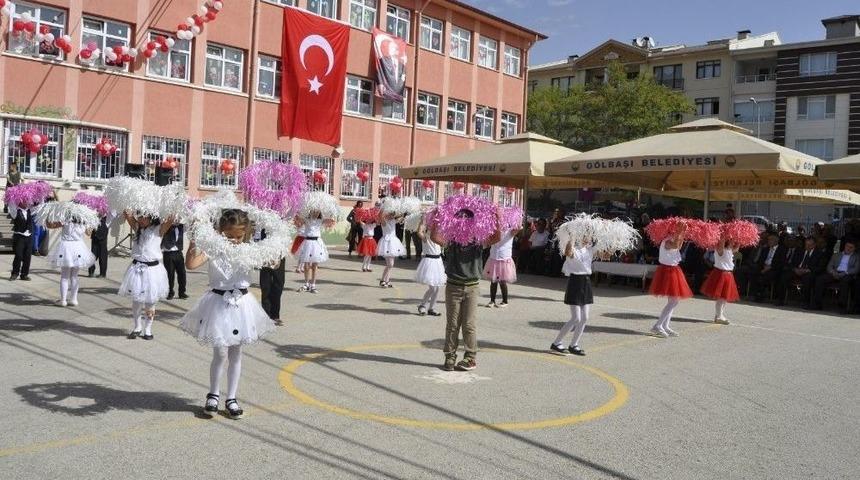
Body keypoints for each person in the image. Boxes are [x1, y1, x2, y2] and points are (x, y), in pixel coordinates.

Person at [181, 209, 275, 418]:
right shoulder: (213, 249)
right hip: (218, 303)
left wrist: (276, 245)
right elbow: (191, 264)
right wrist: (195, 242)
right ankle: (213, 394)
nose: (234, 240)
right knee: (220, 352)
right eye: (229, 236)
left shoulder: (249, 250)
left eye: (239, 236)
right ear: (220, 231)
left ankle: (231, 397)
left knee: (236, 353)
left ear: (246, 234)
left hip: (241, 305)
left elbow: (273, 263)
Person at [432, 209, 485, 371]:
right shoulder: (451, 241)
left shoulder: (477, 241)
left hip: (472, 287)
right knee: (453, 324)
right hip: (453, 286)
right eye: (460, 219)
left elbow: (495, 238)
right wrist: (436, 218)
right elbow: (434, 237)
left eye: (467, 219)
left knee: (469, 324)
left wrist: (496, 218)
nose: (463, 222)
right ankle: (450, 357)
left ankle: (470, 357)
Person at [118, 213, 172, 340]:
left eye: (144, 217)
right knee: (136, 301)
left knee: (150, 301)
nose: (141, 219)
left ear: (152, 217)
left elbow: (170, 219)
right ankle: (137, 327)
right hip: (137, 269)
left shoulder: (159, 229)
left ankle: (148, 329)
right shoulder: (137, 227)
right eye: (140, 217)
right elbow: (127, 213)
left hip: (153, 271)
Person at [550, 236, 596, 356]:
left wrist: (612, 240)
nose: (588, 239)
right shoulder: (573, 248)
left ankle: (574, 345)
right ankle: (556, 342)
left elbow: (606, 255)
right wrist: (572, 236)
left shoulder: (590, 249)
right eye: (585, 236)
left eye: (589, 236)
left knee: (585, 317)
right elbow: (567, 252)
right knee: (576, 318)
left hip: (586, 282)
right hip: (575, 282)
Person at [648, 223, 692, 338]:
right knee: (674, 301)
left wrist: (682, 233)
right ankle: (657, 326)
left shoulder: (672, 240)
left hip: (673, 270)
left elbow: (679, 246)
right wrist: (680, 232)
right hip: (667, 271)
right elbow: (676, 245)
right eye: (674, 231)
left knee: (673, 301)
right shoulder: (666, 241)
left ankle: (665, 326)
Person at [45, 216, 96, 307]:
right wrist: (92, 222)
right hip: (78, 247)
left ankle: (63, 300)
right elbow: (89, 233)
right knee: (74, 276)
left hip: (66, 247)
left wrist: (47, 217)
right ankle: (74, 299)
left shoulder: (65, 220)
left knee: (64, 276)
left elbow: (50, 226)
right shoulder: (83, 220)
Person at [775, 237, 826, 307]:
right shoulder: (799, 251)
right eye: (806, 244)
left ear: (814, 245)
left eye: (810, 245)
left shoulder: (819, 253)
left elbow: (820, 267)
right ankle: (780, 299)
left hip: (808, 272)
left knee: (807, 279)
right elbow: (791, 263)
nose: (807, 246)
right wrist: (794, 269)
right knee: (784, 276)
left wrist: (808, 270)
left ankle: (805, 302)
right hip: (797, 270)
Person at [809, 241, 858, 313]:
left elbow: (856, 269)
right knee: (820, 279)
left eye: (851, 247)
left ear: (854, 249)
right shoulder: (836, 255)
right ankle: (817, 303)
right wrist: (833, 272)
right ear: (844, 246)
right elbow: (829, 266)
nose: (848, 248)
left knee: (845, 282)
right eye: (847, 246)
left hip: (847, 274)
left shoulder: (857, 256)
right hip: (834, 273)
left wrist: (844, 273)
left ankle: (842, 306)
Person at [700, 237, 739, 325]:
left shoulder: (730, 250)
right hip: (721, 274)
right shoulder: (720, 250)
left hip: (728, 275)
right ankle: (718, 316)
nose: (733, 242)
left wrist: (739, 237)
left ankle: (719, 315)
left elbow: (736, 249)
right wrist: (725, 234)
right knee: (721, 298)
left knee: (724, 297)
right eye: (731, 240)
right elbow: (721, 242)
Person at [483, 217, 520, 308]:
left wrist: (515, 216)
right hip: (494, 257)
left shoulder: (510, 231)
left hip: (504, 258)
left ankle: (505, 300)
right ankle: (492, 300)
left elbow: (519, 227)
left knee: (502, 281)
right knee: (493, 281)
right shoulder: (493, 230)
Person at [414, 216, 444, 316]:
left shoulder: (440, 237)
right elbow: (419, 231)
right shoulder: (426, 237)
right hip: (429, 262)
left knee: (438, 287)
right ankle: (422, 305)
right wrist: (423, 220)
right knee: (433, 288)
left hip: (438, 262)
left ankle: (432, 308)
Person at [257, 228, 286, 326]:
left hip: (279, 251)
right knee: (266, 285)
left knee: (279, 284)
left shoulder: (284, 216)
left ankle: (275, 315)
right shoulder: (265, 214)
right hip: (265, 250)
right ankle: (266, 316)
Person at [295, 212, 329, 293]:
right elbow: (298, 221)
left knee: (314, 265)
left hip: (316, 243)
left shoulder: (321, 220)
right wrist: (297, 216)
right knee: (306, 265)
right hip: (307, 242)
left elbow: (330, 220)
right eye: (314, 211)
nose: (316, 213)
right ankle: (306, 284)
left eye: (317, 211)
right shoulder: (306, 219)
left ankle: (313, 285)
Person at [751, 234, 787, 302]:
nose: (769, 241)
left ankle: (761, 295)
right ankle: (755, 294)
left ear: (776, 241)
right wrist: (763, 266)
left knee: (766, 276)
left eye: (771, 240)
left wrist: (770, 267)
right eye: (768, 240)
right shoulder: (766, 249)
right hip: (764, 267)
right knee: (753, 273)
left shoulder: (782, 250)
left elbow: (781, 263)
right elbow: (760, 260)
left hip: (774, 269)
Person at [376, 210, 406, 288]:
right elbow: (380, 215)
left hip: (394, 243)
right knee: (390, 264)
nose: (392, 215)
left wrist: (404, 213)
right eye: (390, 214)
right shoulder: (384, 221)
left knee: (390, 265)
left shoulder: (393, 220)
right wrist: (383, 208)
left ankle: (387, 280)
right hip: (386, 243)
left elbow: (401, 217)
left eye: (392, 214)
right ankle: (382, 280)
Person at [161, 223, 188, 300]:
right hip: (168, 253)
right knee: (170, 274)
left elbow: (189, 226)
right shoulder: (166, 226)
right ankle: (170, 292)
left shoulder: (181, 226)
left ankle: (182, 292)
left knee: (182, 273)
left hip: (178, 252)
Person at [10, 203, 34, 281]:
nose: (26, 201)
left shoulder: (30, 210)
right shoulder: (15, 211)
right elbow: (11, 205)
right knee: (18, 256)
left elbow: (40, 205)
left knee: (27, 256)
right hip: (19, 236)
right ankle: (15, 273)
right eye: (24, 199)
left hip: (29, 236)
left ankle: (24, 274)